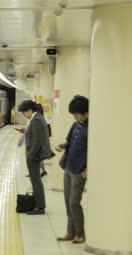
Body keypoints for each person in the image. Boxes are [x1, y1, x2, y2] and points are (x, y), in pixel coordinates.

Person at [55, 96, 89, 244]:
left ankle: (80, 233)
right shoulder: (76, 125)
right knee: (67, 201)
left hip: (79, 170)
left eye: (76, 114)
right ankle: (70, 232)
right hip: (68, 166)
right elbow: (69, 142)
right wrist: (62, 146)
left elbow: (93, 150)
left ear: (85, 113)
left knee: (74, 202)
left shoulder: (91, 128)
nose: (74, 117)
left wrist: (88, 168)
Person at [18, 100, 55, 215]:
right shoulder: (36, 118)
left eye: (24, 112)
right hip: (34, 154)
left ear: (29, 110)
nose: (24, 115)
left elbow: (37, 141)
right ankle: (37, 204)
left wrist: (31, 154)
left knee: (36, 181)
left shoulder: (37, 120)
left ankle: (40, 207)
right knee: (35, 180)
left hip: (34, 155)